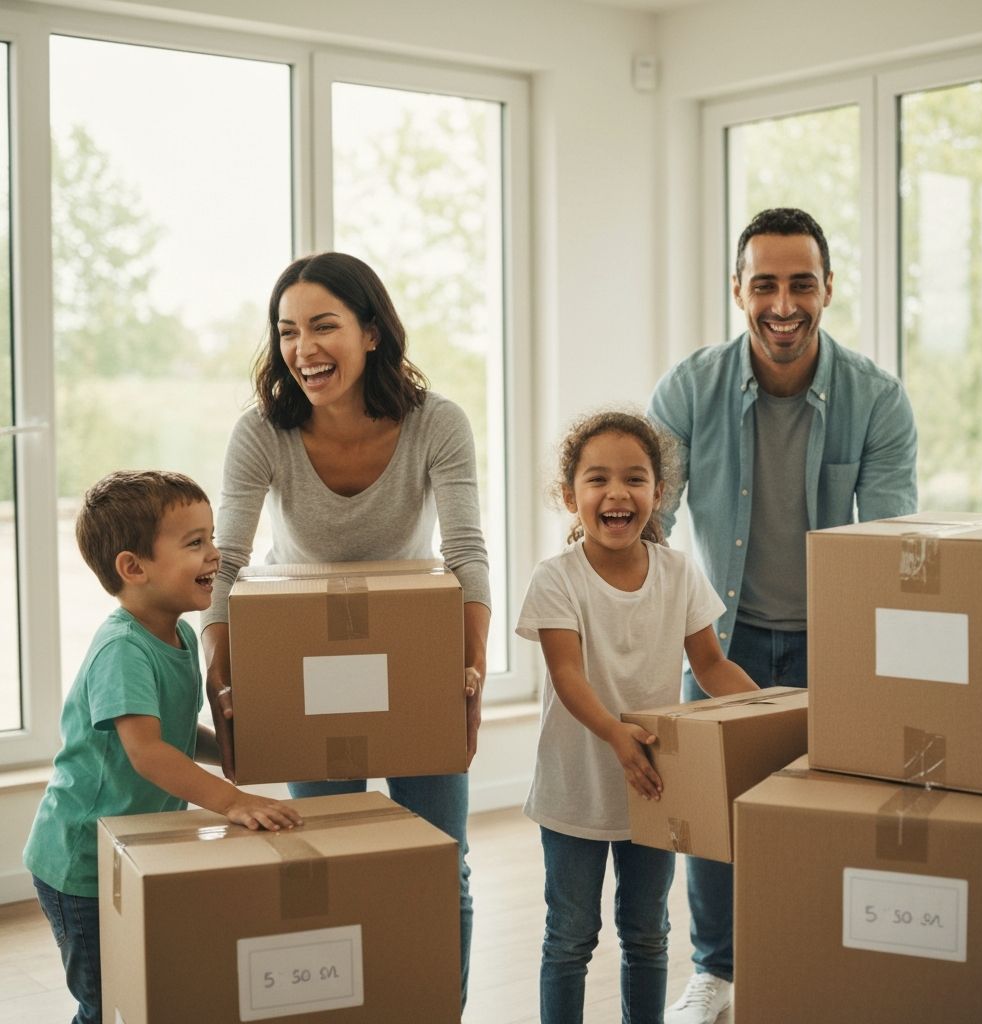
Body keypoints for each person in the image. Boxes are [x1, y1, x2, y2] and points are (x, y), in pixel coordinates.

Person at [649, 207, 918, 1024]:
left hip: (831, 646)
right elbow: (648, 533)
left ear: (828, 289)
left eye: (802, 283)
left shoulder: (876, 400)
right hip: (720, 640)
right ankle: (717, 978)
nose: (783, 303)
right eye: (763, 283)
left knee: (829, 816)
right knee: (716, 821)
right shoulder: (689, 389)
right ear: (738, 290)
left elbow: (892, 551)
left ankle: (820, 964)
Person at [200, 252, 490, 1008]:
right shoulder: (263, 431)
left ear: (370, 331)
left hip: (415, 664)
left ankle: (436, 1008)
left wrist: (472, 673)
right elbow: (226, 560)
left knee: (439, 861)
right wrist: (218, 672)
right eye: (288, 331)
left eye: (323, 326)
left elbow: (465, 554)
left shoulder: (438, 423)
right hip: (308, 670)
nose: (303, 349)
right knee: (326, 857)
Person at [23, 470, 302, 1024]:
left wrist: (228, 750)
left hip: (133, 850)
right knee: (108, 1002)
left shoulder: (177, 634)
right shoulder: (123, 650)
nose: (215, 555)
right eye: (195, 543)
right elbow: (147, 752)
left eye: (212, 537)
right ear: (134, 568)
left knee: (149, 986)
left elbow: (172, 736)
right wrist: (232, 799)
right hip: (82, 866)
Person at [516, 410, 759, 1024]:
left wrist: (764, 713)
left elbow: (710, 665)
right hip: (576, 790)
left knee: (648, 933)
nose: (617, 493)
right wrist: (616, 735)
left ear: (660, 492)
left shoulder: (678, 573)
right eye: (597, 480)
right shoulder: (556, 580)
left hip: (653, 788)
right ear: (570, 496)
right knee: (569, 938)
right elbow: (568, 676)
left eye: (635, 478)